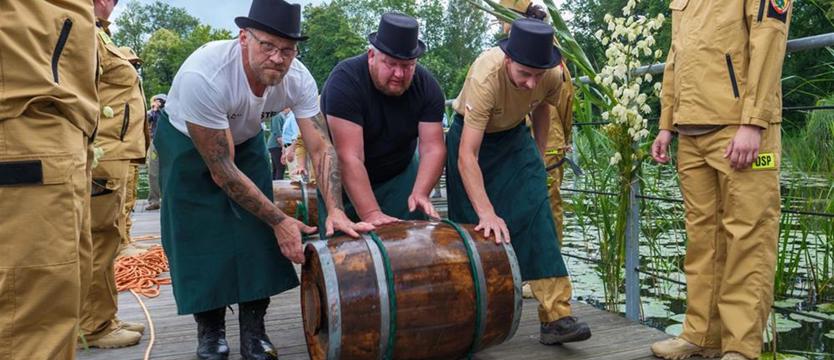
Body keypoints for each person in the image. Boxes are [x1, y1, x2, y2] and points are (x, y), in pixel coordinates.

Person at [155, 1, 372, 359]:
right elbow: (222, 169)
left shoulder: (298, 78)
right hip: (188, 142)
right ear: (244, 38)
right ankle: (210, 333)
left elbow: (321, 148)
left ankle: (255, 332)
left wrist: (335, 209)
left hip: (246, 137)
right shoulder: (205, 75)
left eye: (287, 49)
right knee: (198, 233)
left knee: (256, 234)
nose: (277, 57)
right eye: (267, 45)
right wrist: (282, 220)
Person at [649, 0, 792, 359]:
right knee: (702, 239)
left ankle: (741, 349)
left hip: (738, 127)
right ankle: (701, 336)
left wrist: (753, 121)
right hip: (691, 127)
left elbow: (769, 38)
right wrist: (667, 123)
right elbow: (675, 56)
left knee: (748, 237)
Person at [447, 18, 591, 345]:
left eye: (537, 75)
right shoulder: (486, 74)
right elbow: (467, 155)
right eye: (524, 74)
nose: (531, 83)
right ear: (508, 59)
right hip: (471, 140)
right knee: (475, 227)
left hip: (514, 137)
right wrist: (486, 211)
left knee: (539, 211)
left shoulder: (550, 74)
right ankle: (478, 317)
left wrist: (537, 158)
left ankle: (556, 317)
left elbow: (542, 107)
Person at [0, 1, 98, 358]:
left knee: (57, 296)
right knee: (30, 314)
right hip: (23, 120)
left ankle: (99, 322)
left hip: (58, 128)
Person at [320, 12, 446, 227]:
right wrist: (371, 213)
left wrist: (421, 193)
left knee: (414, 250)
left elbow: (433, 148)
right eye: (391, 64)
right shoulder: (344, 82)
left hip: (401, 174)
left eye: (407, 66)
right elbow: (349, 156)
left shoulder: (428, 87)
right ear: (371, 55)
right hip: (347, 180)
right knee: (348, 254)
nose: (399, 73)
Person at [77, 0, 150, 349]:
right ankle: (95, 326)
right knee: (98, 240)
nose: (112, 3)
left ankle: (104, 316)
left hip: (116, 153)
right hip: (102, 155)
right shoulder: (81, 31)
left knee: (107, 238)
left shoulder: (100, 35)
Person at [145, 94, 166, 210]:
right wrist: (154, 110)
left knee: (170, 171)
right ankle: (154, 201)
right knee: (153, 171)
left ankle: (170, 199)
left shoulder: (168, 112)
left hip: (168, 141)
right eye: (155, 101)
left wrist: (162, 108)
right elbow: (147, 121)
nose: (157, 103)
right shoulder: (151, 113)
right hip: (155, 142)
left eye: (159, 101)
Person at [266, 109, 289, 180]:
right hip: (276, 145)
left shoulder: (283, 115)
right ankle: (279, 188)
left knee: (276, 169)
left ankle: (274, 188)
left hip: (278, 145)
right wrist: (284, 148)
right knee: (280, 168)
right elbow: (277, 133)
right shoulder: (277, 115)